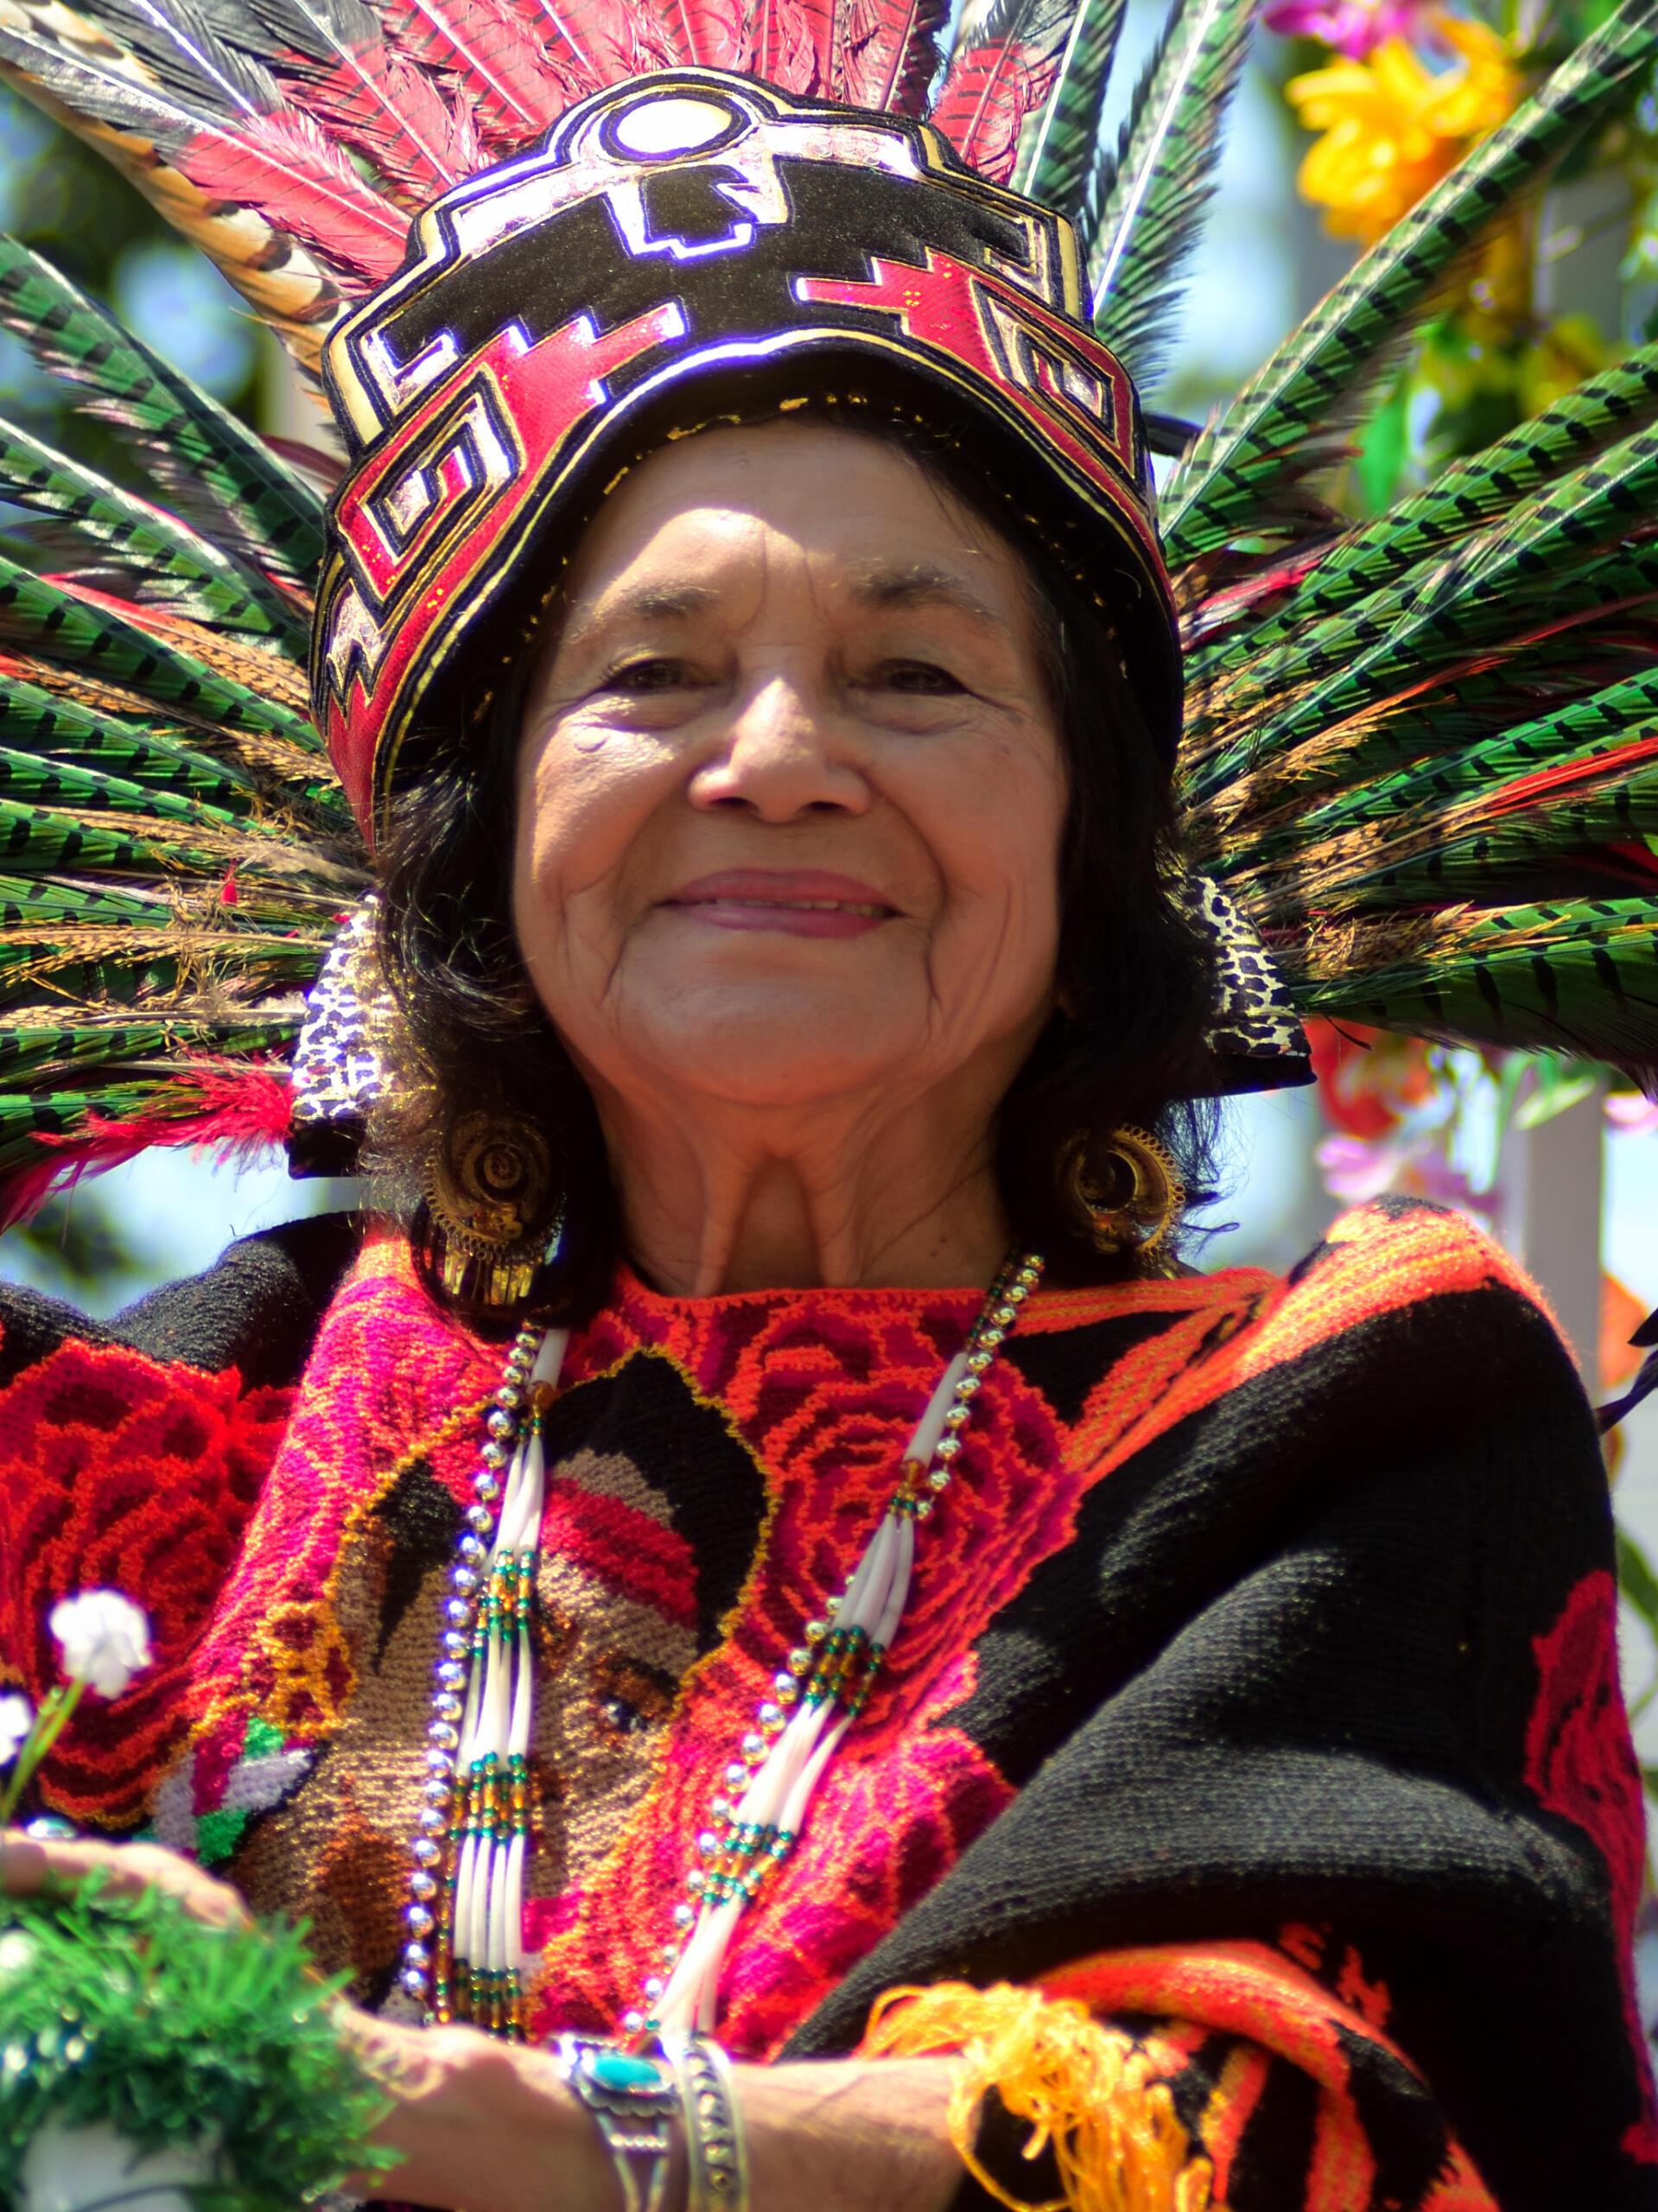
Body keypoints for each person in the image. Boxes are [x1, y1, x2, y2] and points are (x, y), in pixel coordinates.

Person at [0, 9, 1657, 2212]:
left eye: (915, 672)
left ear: (1092, 853)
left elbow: (1276, 2119)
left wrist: (483, 2121)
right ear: (479, 842)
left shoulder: (1334, 1425)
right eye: (651, 673)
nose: (777, 753)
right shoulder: (181, 1429)